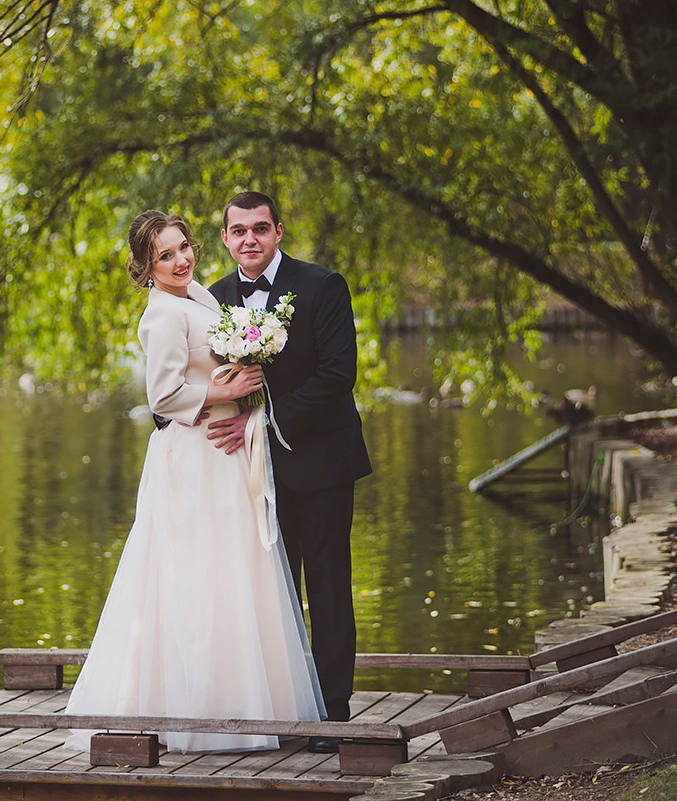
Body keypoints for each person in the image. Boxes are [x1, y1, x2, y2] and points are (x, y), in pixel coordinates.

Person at [63, 210, 326, 754]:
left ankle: (244, 700)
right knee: (196, 572)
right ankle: (194, 709)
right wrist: (226, 390)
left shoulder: (198, 295)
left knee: (233, 571)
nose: (181, 260)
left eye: (183, 247)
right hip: (193, 456)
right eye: (165, 255)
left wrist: (246, 378)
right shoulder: (161, 314)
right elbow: (162, 396)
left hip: (223, 453)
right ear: (146, 266)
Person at [206, 191, 372, 752]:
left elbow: (338, 374)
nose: (249, 239)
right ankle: (280, 706)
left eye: (259, 228)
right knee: (266, 592)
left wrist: (264, 422)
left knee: (327, 588)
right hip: (247, 473)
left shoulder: (322, 286)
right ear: (225, 238)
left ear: (278, 231)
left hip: (321, 462)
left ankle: (331, 713)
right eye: (238, 231)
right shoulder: (213, 299)